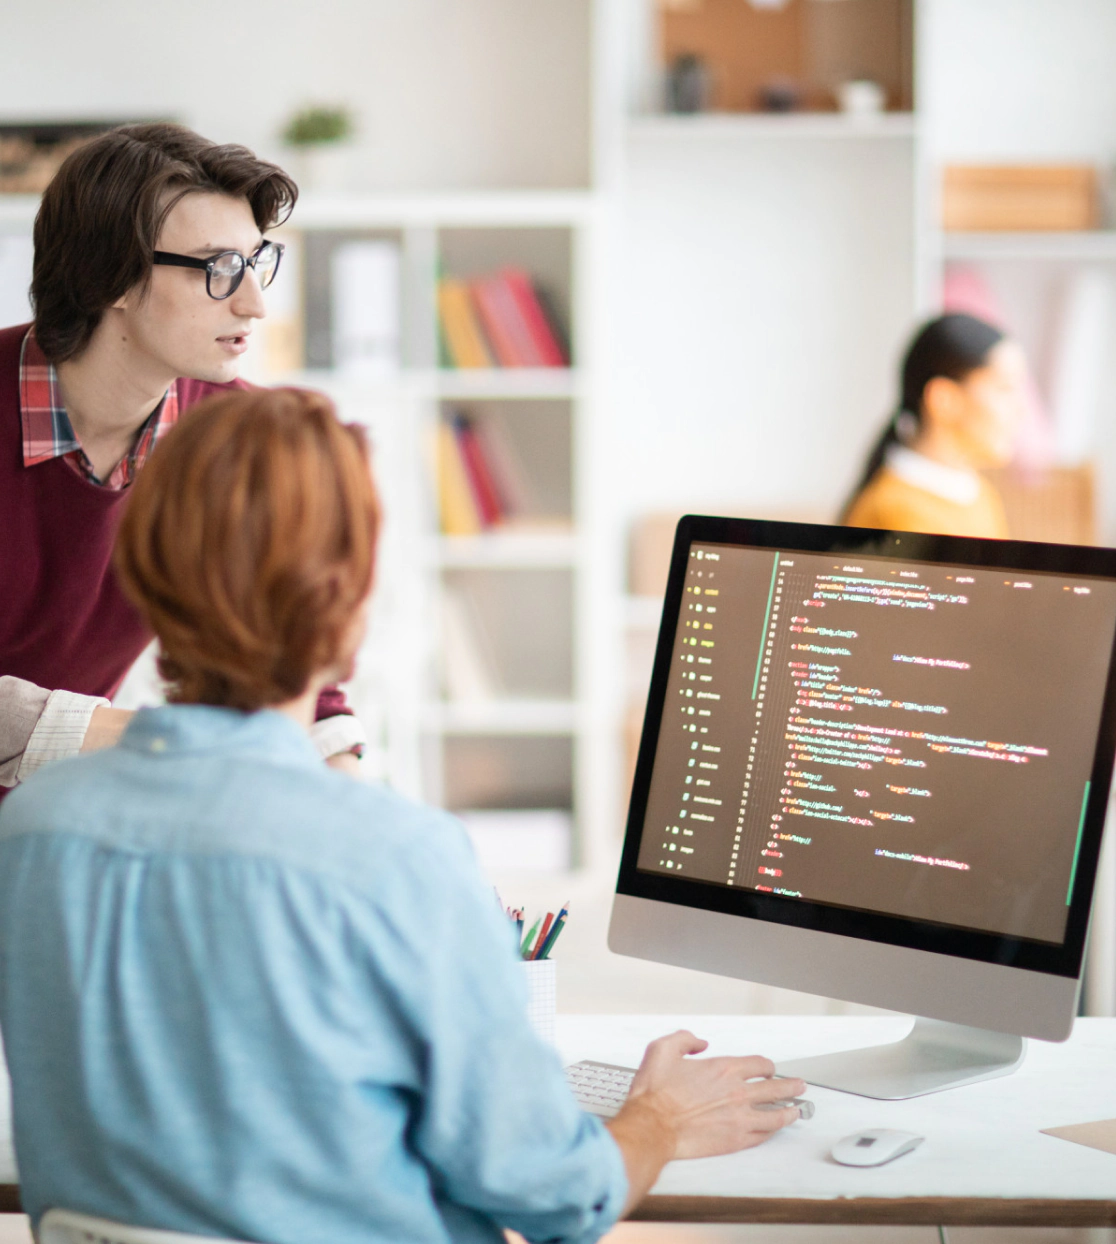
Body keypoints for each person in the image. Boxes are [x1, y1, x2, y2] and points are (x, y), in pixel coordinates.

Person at [0, 387, 803, 1242]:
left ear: (147, 588)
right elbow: (556, 1199)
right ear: (347, 618)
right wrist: (658, 1120)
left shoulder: (33, 830)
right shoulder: (395, 860)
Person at [0, 123, 365, 798]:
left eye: (256, 263)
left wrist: (353, 801)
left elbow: (292, 661)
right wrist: (157, 739)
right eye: (219, 268)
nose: (254, 303)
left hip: (66, 816)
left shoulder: (237, 435)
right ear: (108, 275)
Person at [840, 313, 1027, 538]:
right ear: (943, 399)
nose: (1020, 409)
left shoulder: (982, 497)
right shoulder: (893, 514)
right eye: (1004, 389)